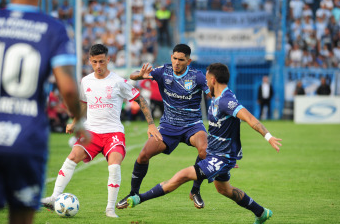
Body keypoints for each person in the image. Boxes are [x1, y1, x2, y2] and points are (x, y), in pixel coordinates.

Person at [126, 63, 282, 224]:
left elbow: (250, 119)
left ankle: (138, 199)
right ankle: (261, 212)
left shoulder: (226, 101)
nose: (204, 82)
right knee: (225, 190)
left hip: (222, 156)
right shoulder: (216, 98)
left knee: (182, 175)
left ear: (213, 80)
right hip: (218, 154)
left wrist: (268, 136)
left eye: (206, 78)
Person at [0, 0, 90, 223]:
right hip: (25, 138)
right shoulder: (53, 28)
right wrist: (78, 119)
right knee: (21, 216)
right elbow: (67, 89)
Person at [40, 44, 161, 218]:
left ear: (108, 60)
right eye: (95, 62)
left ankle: (110, 209)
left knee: (114, 167)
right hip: (92, 133)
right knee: (72, 156)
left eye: (102, 62)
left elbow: (140, 99)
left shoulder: (118, 82)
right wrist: (75, 122)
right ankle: (54, 197)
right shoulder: (86, 81)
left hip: (113, 134)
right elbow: (83, 104)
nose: (98, 66)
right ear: (89, 61)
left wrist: (150, 124)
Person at [117, 44, 211, 210]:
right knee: (143, 155)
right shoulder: (163, 71)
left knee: (204, 151)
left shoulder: (197, 76)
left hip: (192, 125)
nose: (176, 62)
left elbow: (211, 94)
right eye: (174, 58)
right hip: (169, 126)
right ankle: (133, 193)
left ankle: (195, 190)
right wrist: (140, 75)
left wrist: (214, 91)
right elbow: (132, 76)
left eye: (181, 60)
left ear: (188, 61)